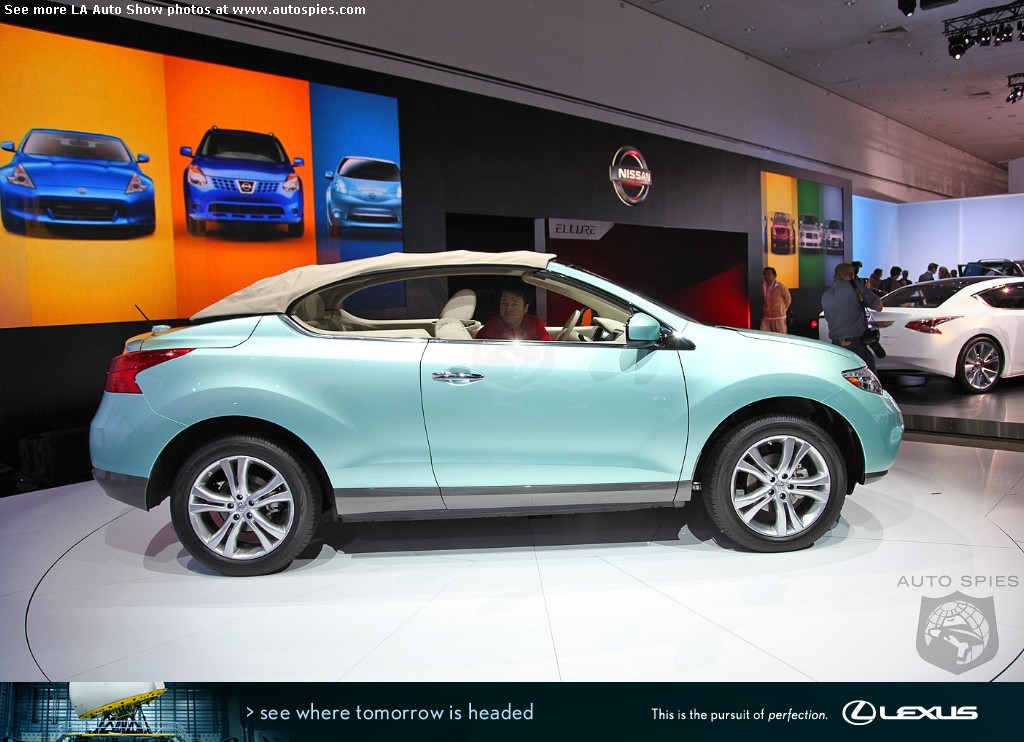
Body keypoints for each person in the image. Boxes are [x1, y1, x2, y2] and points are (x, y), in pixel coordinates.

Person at [821, 262, 883, 371]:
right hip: (856, 344)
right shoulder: (856, 289)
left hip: (836, 344)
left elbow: (828, 317)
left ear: (834, 277)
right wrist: (867, 289)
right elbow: (879, 307)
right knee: (868, 374)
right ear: (851, 275)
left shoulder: (826, 295)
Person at [477, 284, 552, 341]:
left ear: (525, 308)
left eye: (514, 304)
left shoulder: (534, 324)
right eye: (504, 303)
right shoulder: (492, 328)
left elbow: (548, 348)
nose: (508, 308)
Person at [759, 266, 792, 334]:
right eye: (765, 274)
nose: (766, 276)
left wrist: (782, 309)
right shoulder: (763, 286)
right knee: (764, 335)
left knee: (780, 336)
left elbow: (788, 300)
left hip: (778, 317)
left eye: (769, 274)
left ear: (775, 276)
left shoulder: (781, 287)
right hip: (767, 316)